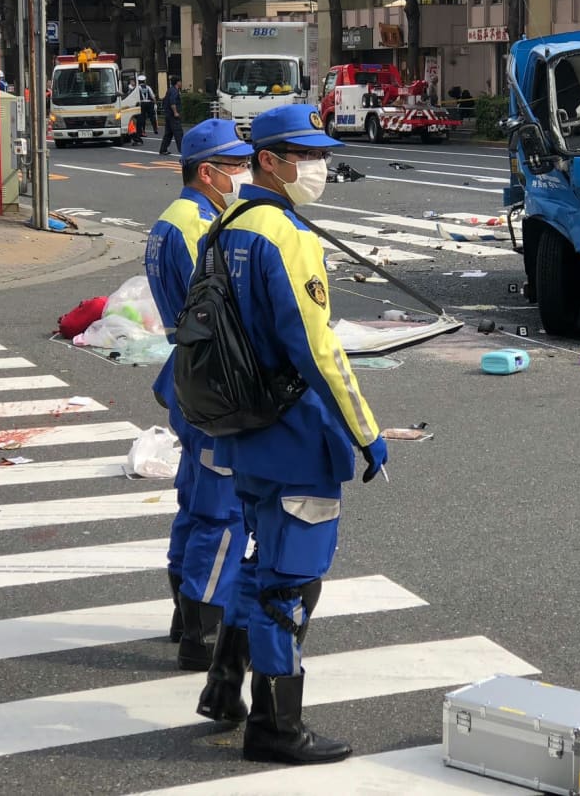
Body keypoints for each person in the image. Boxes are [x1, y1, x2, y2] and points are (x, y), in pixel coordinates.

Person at [211, 103, 386, 765]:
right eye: (303, 155)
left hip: (243, 430)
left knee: (259, 565)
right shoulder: (284, 235)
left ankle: (224, 687)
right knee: (291, 581)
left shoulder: (227, 223)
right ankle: (275, 728)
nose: (315, 166)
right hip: (293, 433)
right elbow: (316, 347)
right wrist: (366, 431)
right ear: (270, 161)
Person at [145, 119, 256, 689]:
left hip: (186, 379)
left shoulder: (173, 222)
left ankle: (186, 615)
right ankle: (204, 635)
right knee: (223, 512)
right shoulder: (199, 226)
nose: (244, 174)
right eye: (236, 166)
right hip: (214, 381)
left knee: (196, 501)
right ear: (207, 172)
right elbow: (219, 312)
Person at [160, 75, 184, 155]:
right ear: (177, 82)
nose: (181, 83)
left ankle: (163, 149)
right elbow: (172, 102)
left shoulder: (170, 90)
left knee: (168, 133)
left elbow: (165, 101)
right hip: (173, 116)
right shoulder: (174, 91)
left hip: (168, 115)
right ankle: (182, 150)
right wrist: (175, 112)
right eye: (180, 81)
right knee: (178, 133)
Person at [135, 74, 157, 144]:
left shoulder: (137, 88)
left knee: (142, 118)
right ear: (144, 81)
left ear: (138, 81)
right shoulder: (148, 87)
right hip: (149, 103)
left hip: (142, 104)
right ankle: (155, 129)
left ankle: (141, 131)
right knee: (152, 116)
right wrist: (155, 103)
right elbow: (152, 96)